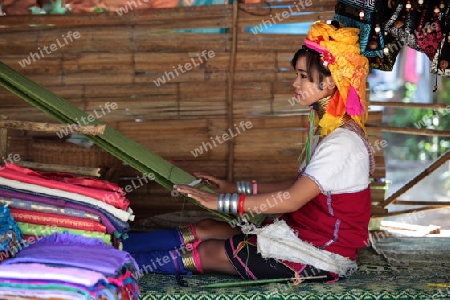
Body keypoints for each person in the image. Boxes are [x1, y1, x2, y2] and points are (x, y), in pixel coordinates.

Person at [123, 20, 375, 283]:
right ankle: (114, 247)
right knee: (209, 228)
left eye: (302, 76)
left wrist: (221, 202)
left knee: (209, 251)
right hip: (301, 235)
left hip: (320, 253)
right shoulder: (330, 132)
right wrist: (235, 187)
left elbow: (292, 199)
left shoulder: (342, 143)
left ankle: (110, 264)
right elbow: (301, 185)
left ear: (331, 82)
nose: (294, 83)